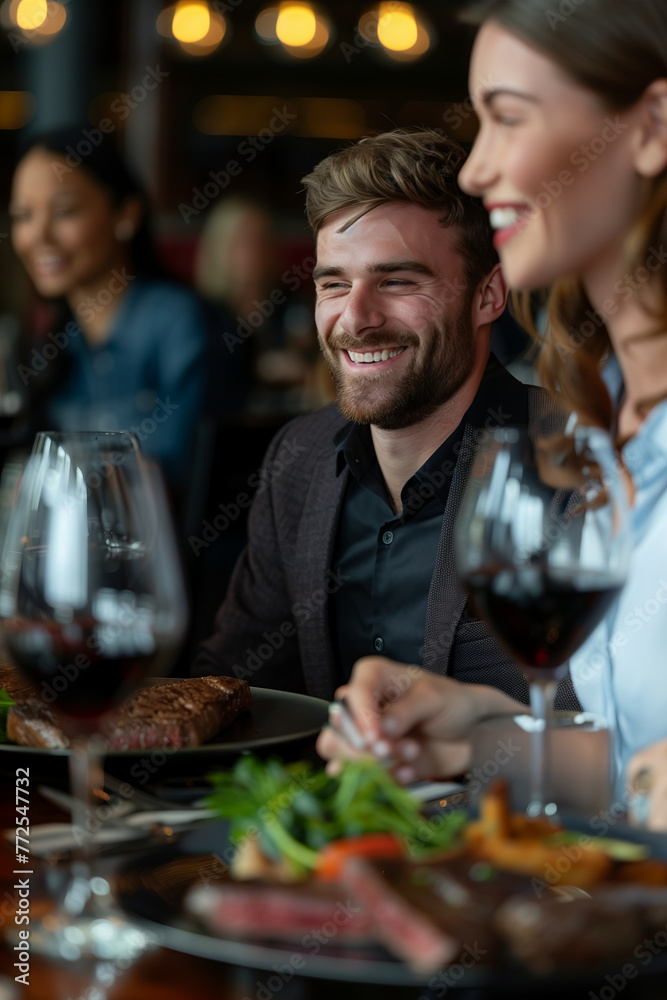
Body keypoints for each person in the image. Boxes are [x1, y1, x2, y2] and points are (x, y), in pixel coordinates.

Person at [318, 0, 667, 821]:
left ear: (651, 126)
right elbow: (630, 759)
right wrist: (473, 738)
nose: (476, 170)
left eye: (506, 118)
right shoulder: (602, 414)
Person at [191, 127, 579, 713]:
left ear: (488, 296)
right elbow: (233, 685)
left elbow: (611, 732)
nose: (356, 318)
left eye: (397, 281)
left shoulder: (577, 460)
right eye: (334, 284)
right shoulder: (301, 457)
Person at [8, 126, 208, 495]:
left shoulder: (176, 321)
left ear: (126, 215)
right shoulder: (54, 341)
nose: (38, 236)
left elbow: (183, 473)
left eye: (64, 211)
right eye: (23, 216)